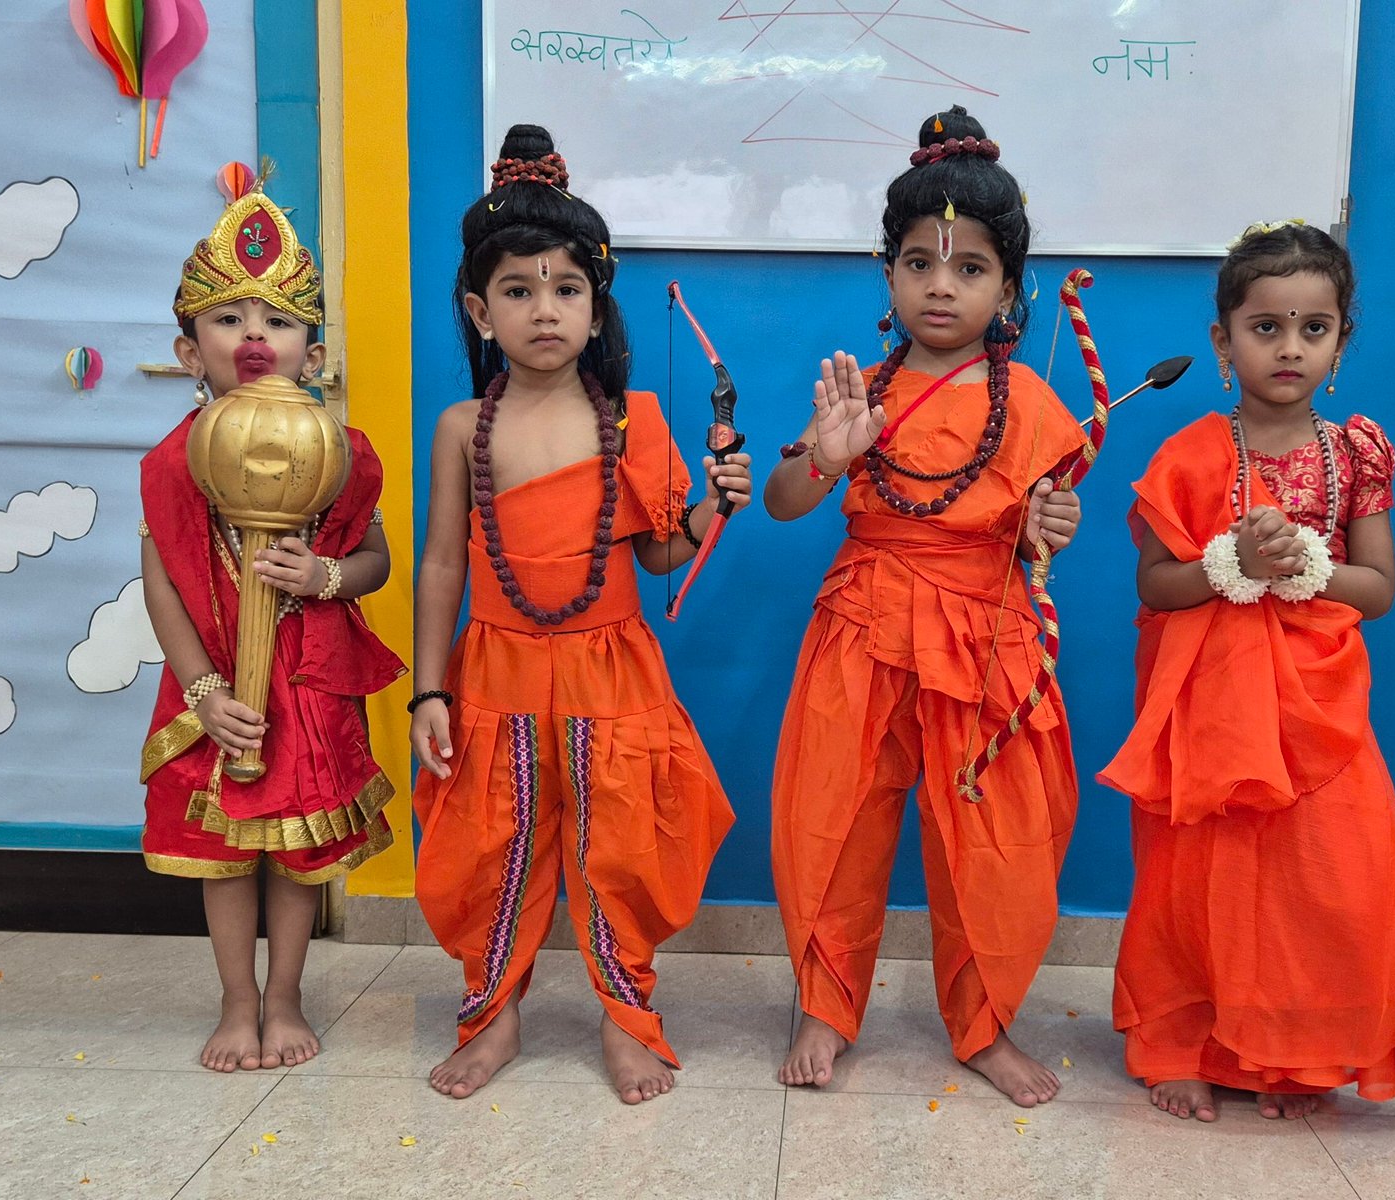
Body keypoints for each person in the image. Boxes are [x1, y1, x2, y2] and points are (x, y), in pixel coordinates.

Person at [1100, 220, 1395, 1122]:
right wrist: (1230, 562)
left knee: (1321, 879)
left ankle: (1291, 1055)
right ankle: (1184, 1047)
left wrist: (1304, 563)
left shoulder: (1354, 455)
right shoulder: (1192, 454)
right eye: (1265, 326)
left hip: (1319, 703)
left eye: (1314, 328)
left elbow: (1377, 588)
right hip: (1208, 706)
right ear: (1223, 340)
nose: (1289, 347)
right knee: (1198, 875)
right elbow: (1156, 586)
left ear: (1341, 341)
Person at [411, 125, 749, 1105]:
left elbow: (661, 553)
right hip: (495, 669)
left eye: (566, 289)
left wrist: (710, 508)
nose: (544, 309)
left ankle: (625, 1015)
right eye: (518, 291)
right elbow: (441, 563)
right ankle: (492, 1013)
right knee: (493, 840)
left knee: (623, 842)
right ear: (480, 311)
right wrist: (428, 690)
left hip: (612, 670)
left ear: (596, 307)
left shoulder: (631, 421)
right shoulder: (462, 428)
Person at [764, 106, 1086, 1108]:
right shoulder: (860, 390)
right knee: (832, 819)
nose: (941, 286)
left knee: (995, 840)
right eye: (918, 263)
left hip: (985, 637)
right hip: (863, 624)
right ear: (890, 274)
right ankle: (825, 1005)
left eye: (970, 267)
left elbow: (1038, 537)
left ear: (1009, 287)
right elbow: (781, 503)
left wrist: (1051, 526)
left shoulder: (1033, 406)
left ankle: (985, 1024)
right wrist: (828, 456)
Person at [139, 173, 404, 1073]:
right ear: (189, 351)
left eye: (279, 321)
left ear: (312, 352)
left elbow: (377, 561)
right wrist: (203, 693)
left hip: (306, 679)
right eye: (229, 319)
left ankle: (285, 996)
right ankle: (236, 1001)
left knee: (296, 850)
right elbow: (163, 586)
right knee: (225, 851)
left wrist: (327, 576)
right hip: (214, 684)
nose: (255, 337)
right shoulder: (170, 463)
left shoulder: (342, 453)